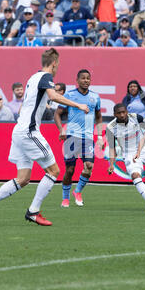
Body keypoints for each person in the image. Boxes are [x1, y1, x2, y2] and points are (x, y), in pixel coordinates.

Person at [0, 48, 90, 227]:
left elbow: (30, 105)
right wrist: (78, 105)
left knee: (23, 179)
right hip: (29, 132)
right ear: (54, 63)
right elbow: (53, 96)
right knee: (54, 171)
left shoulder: (32, 78)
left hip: (19, 130)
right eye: (58, 64)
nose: (57, 67)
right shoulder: (46, 78)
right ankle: (33, 212)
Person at [53, 69, 104, 208]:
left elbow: (98, 117)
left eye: (88, 78)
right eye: (83, 78)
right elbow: (57, 114)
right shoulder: (69, 95)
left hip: (87, 138)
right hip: (71, 136)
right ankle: (65, 198)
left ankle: (78, 191)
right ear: (77, 80)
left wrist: (99, 136)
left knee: (89, 166)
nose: (86, 80)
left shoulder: (95, 97)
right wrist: (61, 130)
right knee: (70, 170)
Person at [106, 103, 145, 212]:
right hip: (129, 154)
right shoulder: (110, 128)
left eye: (123, 112)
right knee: (135, 176)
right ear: (114, 114)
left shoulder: (136, 117)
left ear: (127, 112)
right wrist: (111, 164)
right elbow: (112, 148)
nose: (122, 115)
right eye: (119, 113)